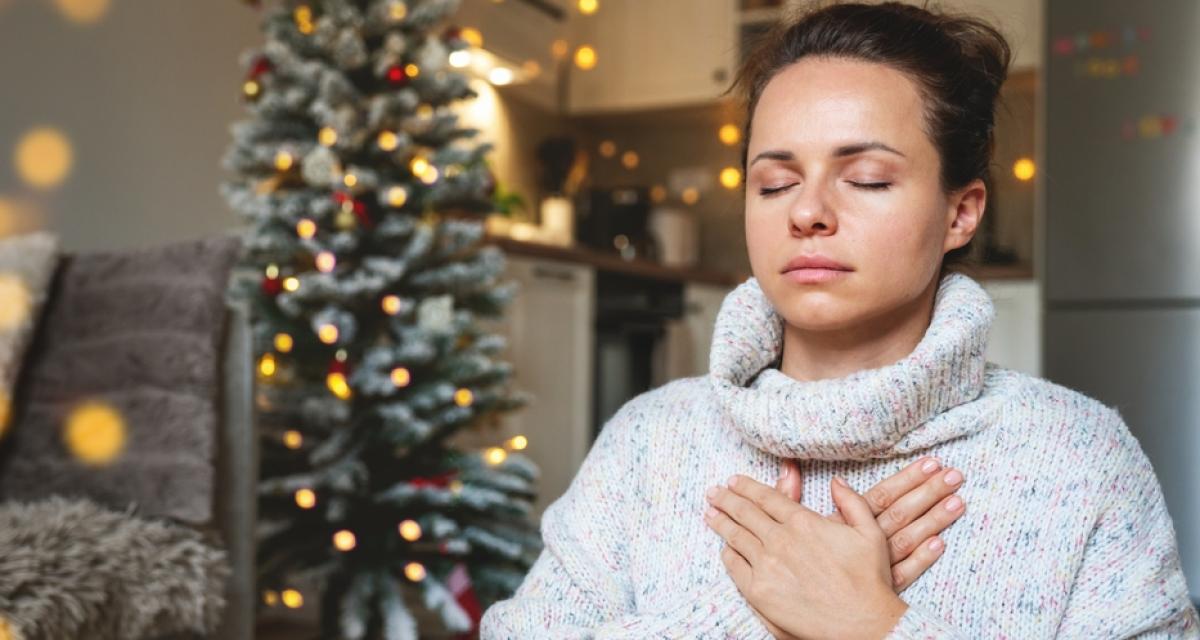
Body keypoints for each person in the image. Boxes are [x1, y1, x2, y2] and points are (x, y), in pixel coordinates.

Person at [480, 2, 1200, 638]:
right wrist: (755, 621)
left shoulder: (1080, 457)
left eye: (866, 179)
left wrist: (874, 625)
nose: (807, 211)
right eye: (776, 181)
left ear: (960, 212)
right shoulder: (646, 443)